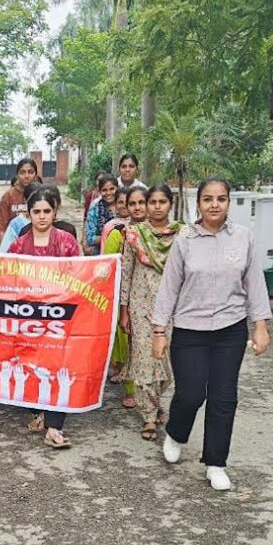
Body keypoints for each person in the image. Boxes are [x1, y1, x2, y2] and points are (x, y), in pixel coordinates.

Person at [152, 177, 271, 491]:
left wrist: (260, 325)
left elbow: (254, 283)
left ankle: (216, 463)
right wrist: (159, 330)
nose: (214, 205)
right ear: (198, 204)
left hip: (230, 330)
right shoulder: (185, 240)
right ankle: (176, 432)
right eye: (207, 199)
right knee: (191, 393)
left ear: (228, 202)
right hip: (190, 330)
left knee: (223, 397)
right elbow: (169, 287)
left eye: (220, 199)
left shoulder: (243, 237)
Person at [7, 187, 80, 448]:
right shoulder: (18, 245)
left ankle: (54, 426)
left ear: (54, 212)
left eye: (46, 211)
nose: (41, 216)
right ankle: (37, 412)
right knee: (30, 368)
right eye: (36, 211)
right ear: (28, 214)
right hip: (28, 319)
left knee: (58, 368)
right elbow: (7, 278)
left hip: (59, 318)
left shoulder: (67, 242)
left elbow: (80, 276)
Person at [119, 185, 182, 441]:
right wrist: (124, 310)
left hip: (174, 308)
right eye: (152, 202)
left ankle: (155, 402)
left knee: (168, 363)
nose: (156, 207)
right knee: (144, 361)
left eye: (161, 202)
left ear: (170, 204)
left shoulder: (181, 235)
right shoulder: (134, 235)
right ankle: (148, 415)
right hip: (141, 305)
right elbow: (126, 273)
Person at [102, 187, 141, 408]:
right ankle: (130, 389)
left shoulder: (156, 233)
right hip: (123, 295)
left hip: (150, 295)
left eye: (137, 202)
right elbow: (107, 266)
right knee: (126, 341)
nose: (130, 207)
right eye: (125, 203)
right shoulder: (117, 233)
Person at [0, 157, 37, 239]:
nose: (26, 176)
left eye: (30, 172)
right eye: (22, 172)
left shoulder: (42, 194)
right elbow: (2, 229)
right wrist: (3, 247)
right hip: (14, 241)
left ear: (36, 174)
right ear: (17, 175)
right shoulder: (8, 196)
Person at [85, 174, 118, 255]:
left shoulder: (123, 205)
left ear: (117, 188)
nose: (108, 193)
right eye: (104, 190)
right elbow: (90, 238)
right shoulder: (95, 208)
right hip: (100, 252)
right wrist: (110, 237)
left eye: (112, 189)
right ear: (99, 191)